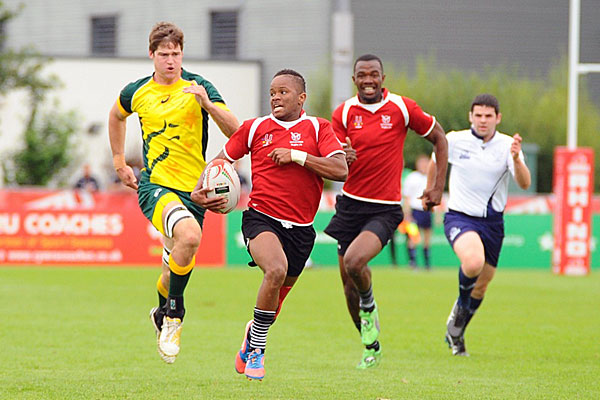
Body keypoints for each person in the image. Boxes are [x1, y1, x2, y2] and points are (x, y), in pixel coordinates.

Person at [192, 69, 347, 380]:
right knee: (275, 270)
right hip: (261, 218)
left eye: (283, 92)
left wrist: (298, 156)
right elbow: (220, 162)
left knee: (273, 305)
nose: (275, 97)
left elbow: (340, 169)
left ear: (301, 98)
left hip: (302, 230)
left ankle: (252, 336)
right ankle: (258, 350)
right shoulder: (254, 128)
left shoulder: (318, 128)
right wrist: (199, 191)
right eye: (272, 92)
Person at [107, 22, 239, 364]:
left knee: (172, 271)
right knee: (190, 236)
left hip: (194, 192)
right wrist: (120, 162)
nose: (171, 61)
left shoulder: (199, 87)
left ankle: (160, 311)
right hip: (155, 186)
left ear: (182, 54)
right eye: (164, 54)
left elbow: (236, 131)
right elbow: (116, 116)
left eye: (176, 54)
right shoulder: (137, 91)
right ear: (151, 55)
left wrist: (208, 104)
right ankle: (174, 317)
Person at [324, 54, 448, 369]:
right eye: (362, 75)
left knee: (355, 261)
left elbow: (439, 138)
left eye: (373, 74)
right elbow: (332, 156)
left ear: (383, 77)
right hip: (350, 205)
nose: (368, 80)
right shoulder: (344, 112)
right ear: (354, 79)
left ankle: (370, 304)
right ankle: (371, 345)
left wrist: (437, 187)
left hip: (385, 208)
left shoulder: (402, 108)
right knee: (348, 286)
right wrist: (341, 155)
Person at [428, 94, 531, 356]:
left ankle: (457, 333)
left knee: (482, 284)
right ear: (470, 117)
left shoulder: (507, 145)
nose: (483, 120)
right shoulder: (454, 140)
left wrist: (516, 159)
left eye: (488, 116)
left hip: (493, 223)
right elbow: (434, 162)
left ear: (498, 118)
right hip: (460, 216)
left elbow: (525, 183)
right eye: (478, 115)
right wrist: (432, 192)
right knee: (473, 262)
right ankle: (460, 311)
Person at [403, 154, 434, 269]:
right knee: (413, 237)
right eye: (422, 163)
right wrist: (407, 213)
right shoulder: (412, 177)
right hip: (415, 210)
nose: (424, 166)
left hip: (427, 210)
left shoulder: (431, 177)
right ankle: (413, 261)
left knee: (427, 238)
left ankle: (427, 263)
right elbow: (407, 196)